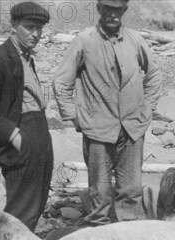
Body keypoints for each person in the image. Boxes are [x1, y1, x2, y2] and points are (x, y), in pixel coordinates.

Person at [53, 0, 161, 226]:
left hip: (132, 129)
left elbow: (154, 74)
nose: (113, 15)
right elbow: (62, 81)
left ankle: (127, 234)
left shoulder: (135, 39)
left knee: (131, 190)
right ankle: (99, 239)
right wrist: (73, 116)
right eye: (108, 9)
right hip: (98, 130)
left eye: (118, 10)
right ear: (99, 9)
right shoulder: (85, 40)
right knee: (99, 192)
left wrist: (147, 108)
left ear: (124, 11)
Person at [0, 1, 53, 232]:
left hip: (38, 132)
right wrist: (15, 136)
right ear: (14, 25)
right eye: (29, 27)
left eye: (40, 28)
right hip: (20, 136)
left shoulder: (26, 57)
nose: (36, 34)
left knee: (37, 201)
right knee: (20, 207)